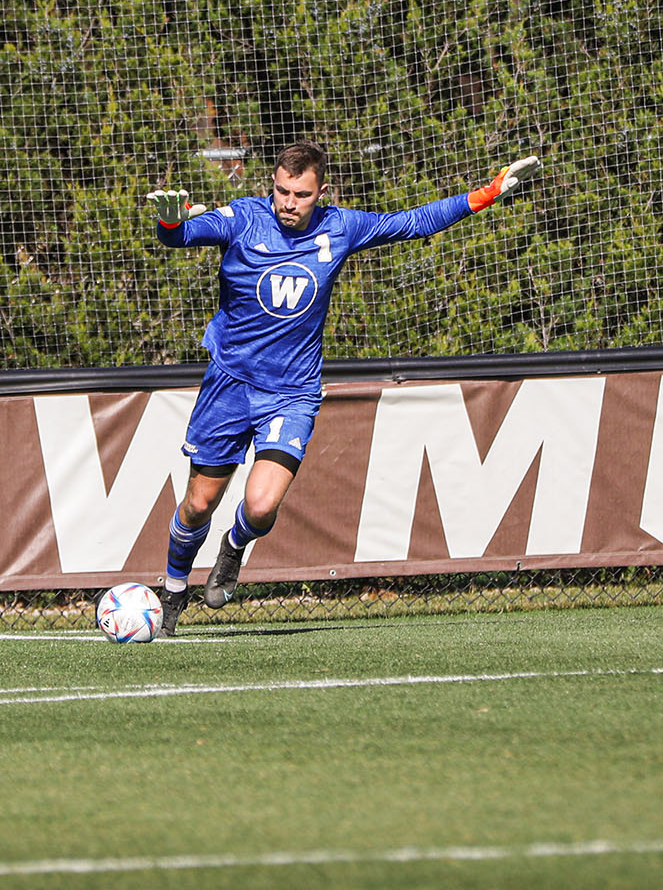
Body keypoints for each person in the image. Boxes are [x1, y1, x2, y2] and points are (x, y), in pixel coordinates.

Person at [145, 140, 539, 635]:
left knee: (262, 506)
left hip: (292, 392)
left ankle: (234, 546)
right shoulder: (245, 218)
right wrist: (170, 223)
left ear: (321, 192)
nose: (288, 203)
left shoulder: (340, 227)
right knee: (198, 503)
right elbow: (184, 235)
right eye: (282, 191)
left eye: (301, 194)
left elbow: (412, 222)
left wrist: (486, 194)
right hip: (230, 386)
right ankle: (175, 590)